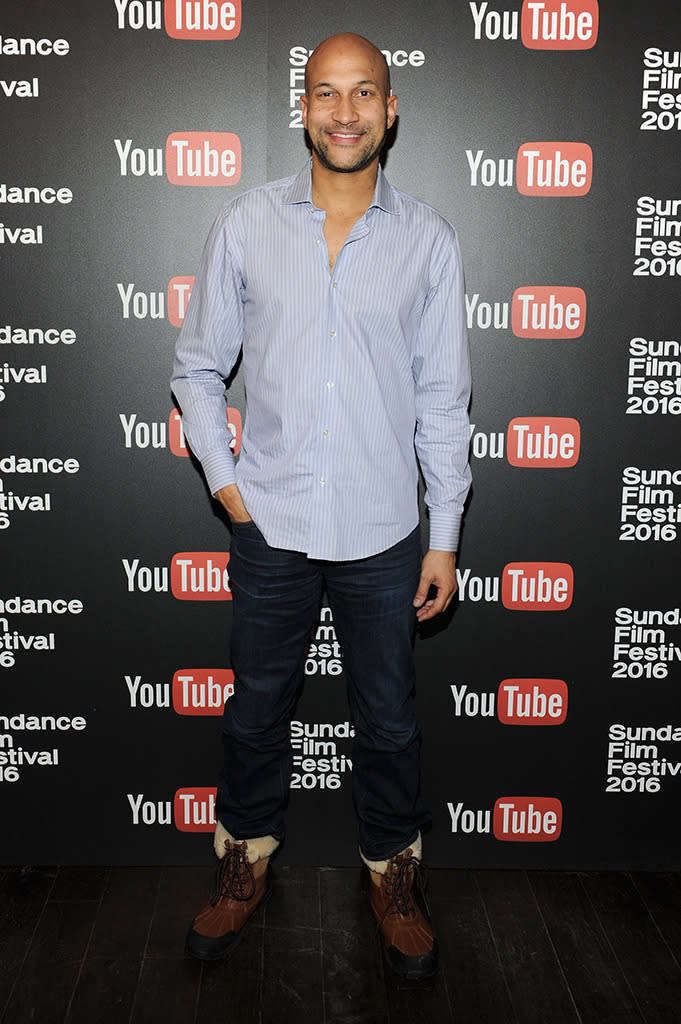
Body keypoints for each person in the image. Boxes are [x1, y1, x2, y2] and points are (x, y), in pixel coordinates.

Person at [171, 31, 471, 982]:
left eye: (363, 94)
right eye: (325, 93)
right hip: (272, 525)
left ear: (390, 110)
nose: (344, 112)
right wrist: (226, 483)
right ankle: (243, 863)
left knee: (387, 720)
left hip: (385, 531)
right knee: (257, 712)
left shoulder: (427, 238)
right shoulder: (246, 224)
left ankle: (393, 875)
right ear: (302, 108)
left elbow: (442, 398)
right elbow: (195, 365)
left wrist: (446, 535)